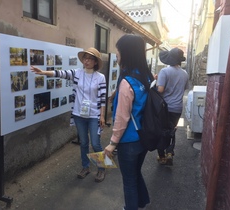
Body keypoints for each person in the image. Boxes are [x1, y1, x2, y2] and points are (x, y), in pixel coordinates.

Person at [30, 47, 107, 182]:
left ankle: (101, 169)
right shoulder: (77, 73)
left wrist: (102, 115)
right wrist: (43, 72)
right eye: (85, 58)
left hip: (94, 114)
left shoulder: (100, 77)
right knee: (83, 143)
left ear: (95, 62)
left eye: (90, 59)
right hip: (79, 114)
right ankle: (85, 167)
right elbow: (60, 73)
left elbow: (102, 97)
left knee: (96, 143)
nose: (86, 61)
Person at [104, 34, 154, 210]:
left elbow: (122, 118)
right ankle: (142, 202)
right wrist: (115, 94)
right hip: (144, 137)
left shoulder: (127, 82)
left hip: (128, 141)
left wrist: (112, 143)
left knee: (129, 182)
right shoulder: (147, 77)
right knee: (135, 173)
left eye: (118, 52)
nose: (117, 56)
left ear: (127, 53)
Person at [156, 47, 189, 165]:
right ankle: (170, 151)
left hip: (165, 108)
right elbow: (184, 88)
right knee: (172, 130)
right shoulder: (185, 73)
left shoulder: (164, 71)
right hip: (178, 108)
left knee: (161, 131)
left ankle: (162, 156)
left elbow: (160, 89)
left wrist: (156, 82)